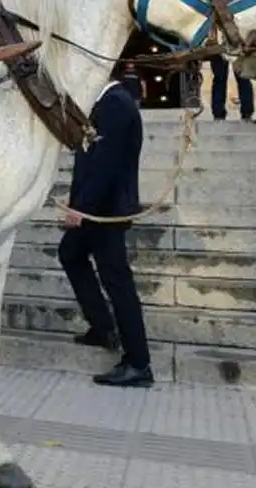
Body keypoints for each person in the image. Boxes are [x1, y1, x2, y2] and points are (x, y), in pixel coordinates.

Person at [57, 71, 153, 388]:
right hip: (96, 208)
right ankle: (102, 327)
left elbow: (106, 166)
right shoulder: (103, 105)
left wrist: (81, 209)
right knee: (70, 253)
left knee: (117, 281)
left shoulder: (115, 105)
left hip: (106, 211)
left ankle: (138, 363)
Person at [209, 53, 254, 122]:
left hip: (220, 47)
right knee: (243, 78)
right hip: (237, 47)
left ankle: (218, 114)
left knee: (219, 79)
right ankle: (247, 113)